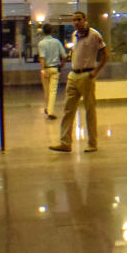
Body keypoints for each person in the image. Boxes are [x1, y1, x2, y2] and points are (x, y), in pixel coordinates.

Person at [49, 11, 107, 153]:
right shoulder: (74, 35)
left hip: (87, 76)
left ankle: (92, 143)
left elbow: (105, 54)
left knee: (89, 110)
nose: (76, 22)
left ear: (84, 20)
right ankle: (65, 142)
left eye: (79, 19)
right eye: (74, 20)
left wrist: (96, 71)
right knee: (68, 110)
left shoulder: (94, 35)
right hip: (73, 76)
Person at [37, 23, 66, 119]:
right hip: (55, 68)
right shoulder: (57, 42)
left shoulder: (41, 43)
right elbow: (64, 56)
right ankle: (50, 111)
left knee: (46, 91)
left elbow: (42, 58)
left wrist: (42, 70)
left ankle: (47, 108)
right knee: (53, 91)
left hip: (45, 69)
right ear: (51, 31)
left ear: (43, 32)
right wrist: (62, 64)